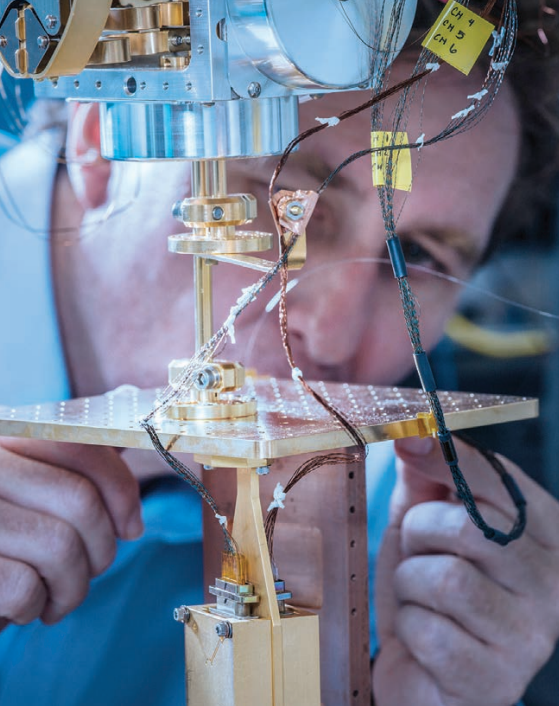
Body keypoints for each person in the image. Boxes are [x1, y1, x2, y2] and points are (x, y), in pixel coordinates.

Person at [0, 2, 559, 704]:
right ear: (100, 141)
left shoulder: (398, 545)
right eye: (287, 201)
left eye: (410, 255)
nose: (326, 336)